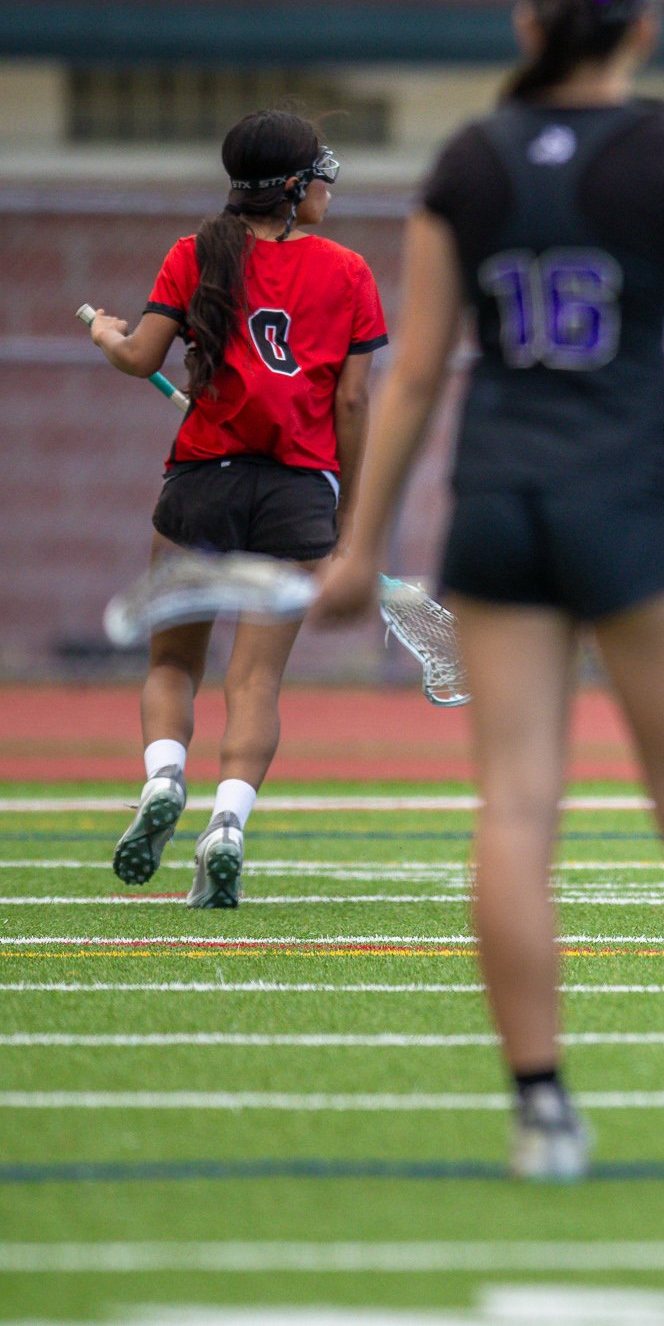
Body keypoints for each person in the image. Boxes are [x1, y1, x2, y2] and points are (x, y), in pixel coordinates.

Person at [308, 0, 664, 1181]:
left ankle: (541, 1112)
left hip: (499, 505)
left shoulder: (469, 161)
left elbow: (415, 375)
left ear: (525, 26)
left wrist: (359, 545)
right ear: (644, 27)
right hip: (632, 505)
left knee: (515, 807)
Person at [88, 111, 381, 909]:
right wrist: (349, 513)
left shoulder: (193, 253)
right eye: (321, 175)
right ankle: (226, 825)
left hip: (201, 481)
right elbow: (354, 403)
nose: (328, 188)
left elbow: (140, 358)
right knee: (254, 682)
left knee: (172, 664)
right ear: (292, 188)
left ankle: (163, 778)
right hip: (297, 492)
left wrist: (109, 335)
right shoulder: (348, 270)